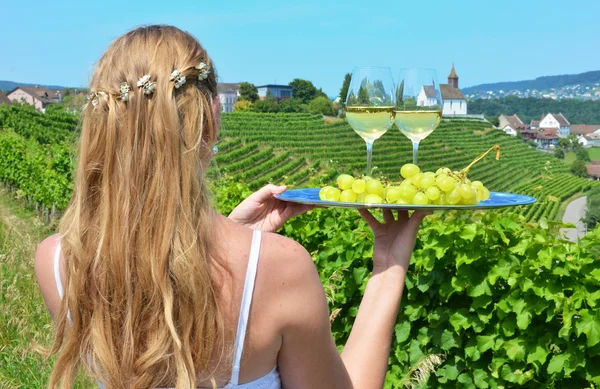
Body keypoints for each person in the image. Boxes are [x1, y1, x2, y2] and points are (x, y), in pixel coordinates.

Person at [34, 25, 429, 389]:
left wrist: (231, 233)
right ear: (210, 121)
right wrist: (389, 263)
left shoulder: (57, 261)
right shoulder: (280, 269)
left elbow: (158, 264)